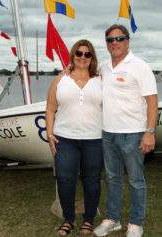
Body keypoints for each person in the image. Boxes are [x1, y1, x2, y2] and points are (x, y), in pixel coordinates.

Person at [94, 25, 158, 237]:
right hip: (107, 133)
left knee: (136, 180)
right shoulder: (103, 67)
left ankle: (136, 223)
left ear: (127, 41)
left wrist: (150, 131)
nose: (115, 43)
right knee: (112, 178)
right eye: (110, 40)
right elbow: (83, 75)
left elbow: (151, 101)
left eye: (119, 38)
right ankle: (113, 219)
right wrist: (68, 70)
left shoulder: (140, 66)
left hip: (133, 134)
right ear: (106, 43)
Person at [46, 39, 103, 236]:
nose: (83, 57)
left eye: (87, 54)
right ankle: (68, 220)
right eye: (79, 53)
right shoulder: (60, 80)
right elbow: (51, 108)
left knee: (92, 180)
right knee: (65, 179)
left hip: (94, 139)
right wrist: (50, 133)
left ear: (92, 58)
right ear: (73, 55)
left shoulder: (100, 81)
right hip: (65, 139)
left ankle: (88, 220)